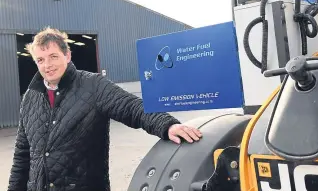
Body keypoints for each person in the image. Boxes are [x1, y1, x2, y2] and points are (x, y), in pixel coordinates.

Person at [7, 27, 202, 191]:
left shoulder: (94, 86)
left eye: (53, 56)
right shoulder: (30, 98)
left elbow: (131, 107)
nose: (47, 65)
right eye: (40, 60)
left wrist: (166, 125)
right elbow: (22, 155)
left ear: (67, 55)